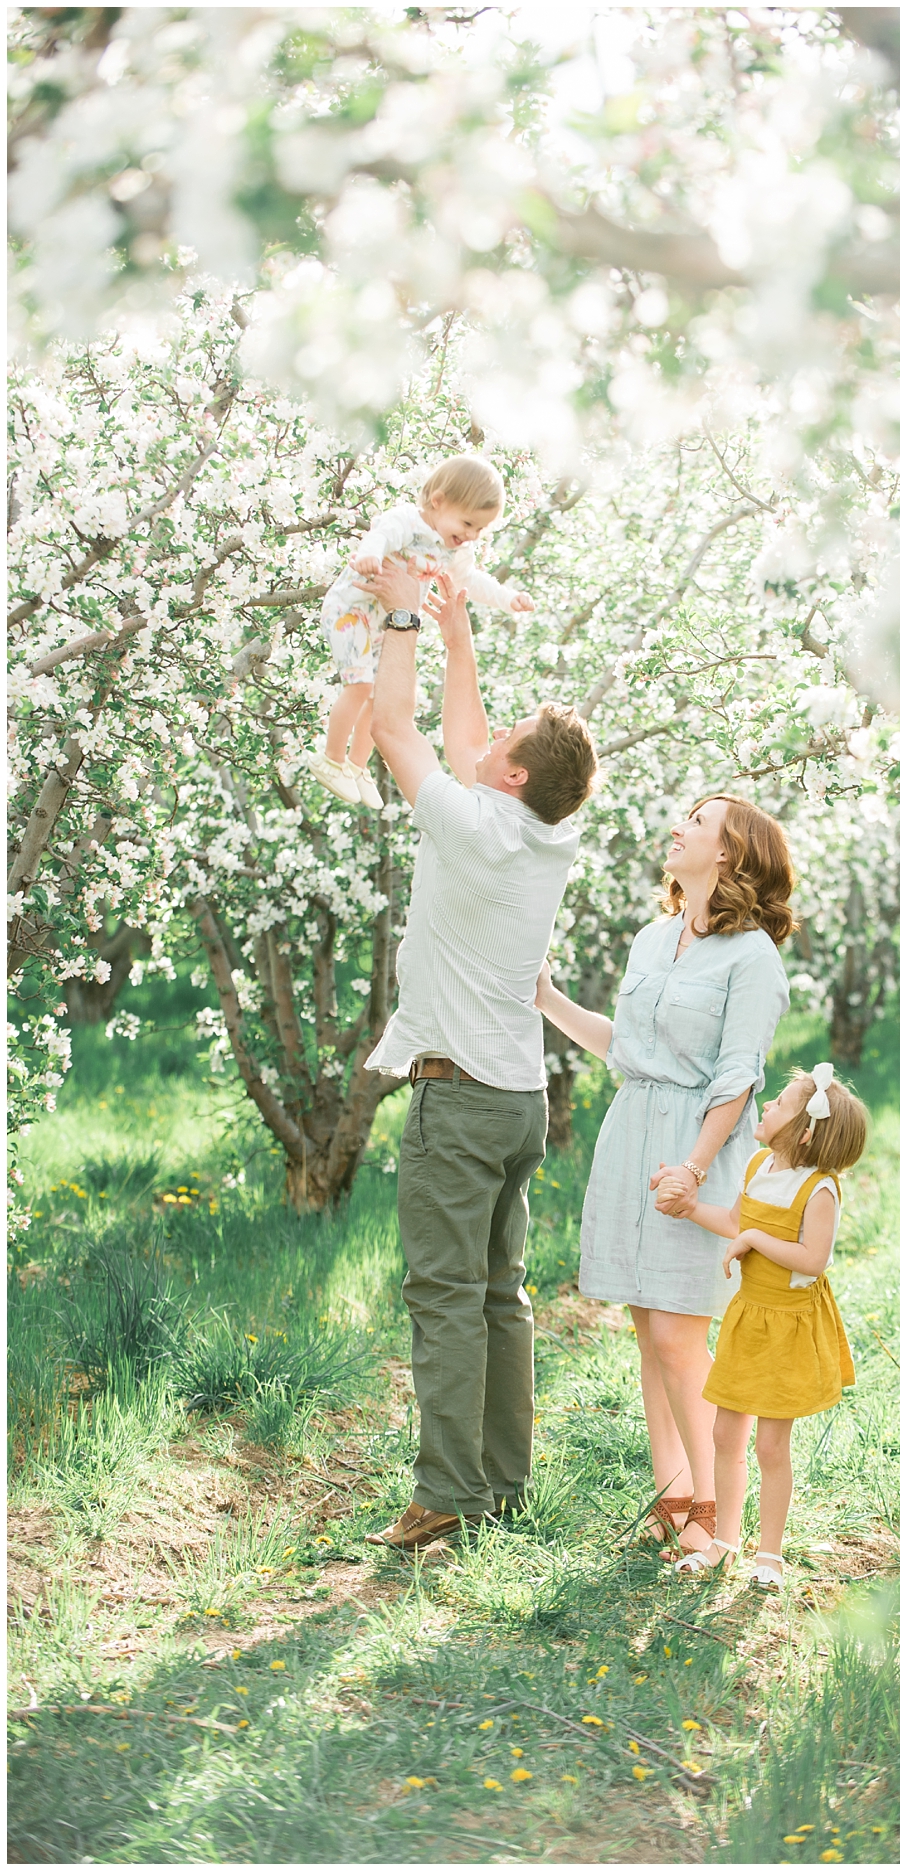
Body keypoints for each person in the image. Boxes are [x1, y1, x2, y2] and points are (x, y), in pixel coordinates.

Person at [358, 562, 596, 1552]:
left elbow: (395, 730)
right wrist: (460, 636)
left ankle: (446, 1493)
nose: (485, 742)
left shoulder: (473, 828)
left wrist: (405, 613)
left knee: (445, 1295)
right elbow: (465, 739)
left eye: (499, 746)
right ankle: (501, 1481)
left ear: (509, 776)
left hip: (459, 1106)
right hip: (521, 1100)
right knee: (501, 1293)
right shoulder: (549, 831)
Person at [534, 795, 794, 1564]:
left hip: (696, 1146)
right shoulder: (652, 938)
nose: (678, 825)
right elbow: (628, 1048)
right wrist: (548, 1000)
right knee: (650, 1328)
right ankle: (673, 1491)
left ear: (729, 853)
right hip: (633, 1134)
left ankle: (718, 1513)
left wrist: (696, 1167)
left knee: (683, 1331)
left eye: (698, 820)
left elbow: (738, 1077)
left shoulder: (753, 959)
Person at [654, 1063, 865, 1590]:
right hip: (749, 1320)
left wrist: (755, 1243)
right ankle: (726, 1541)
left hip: (789, 1328)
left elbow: (812, 1259)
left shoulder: (819, 1191)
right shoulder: (758, 1167)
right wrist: (690, 1206)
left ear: (806, 1129)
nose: (766, 1106)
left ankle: (768, 1555)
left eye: (779, 1105)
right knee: (727, 1432)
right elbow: (734, 1223)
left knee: (771, 1446)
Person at [308, 454, 535, 810]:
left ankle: (357, 765)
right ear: (438, 501)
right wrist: (370, 554)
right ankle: (332, 759)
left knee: (379, 695)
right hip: (351, 611)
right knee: (361, 685)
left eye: (480, 530)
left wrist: (508, 599)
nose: (471, 535)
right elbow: (380, 536)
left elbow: (469, 581)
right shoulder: (407, 522)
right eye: (468, 523)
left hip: (384, 622)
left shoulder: (453, 548)